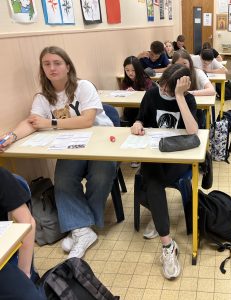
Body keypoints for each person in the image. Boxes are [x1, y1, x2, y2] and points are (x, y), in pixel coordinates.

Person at [0, 46, 117, 259]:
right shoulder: (43, 97)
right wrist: (11, 137)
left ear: (67, 66)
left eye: (57, 63)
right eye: (47, 64)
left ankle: (80, 227)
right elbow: (32, 122)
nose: (52, 68)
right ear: (42, 69)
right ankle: (83, 230)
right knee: (63, 180)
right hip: (72, 146)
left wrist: (50, 122)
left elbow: (87, 120)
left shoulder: (83, 87)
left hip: (100, 142)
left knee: (100, 177)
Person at [130, 64, 198, 279]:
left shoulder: (187, 99)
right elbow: (140, 117)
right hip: (153, 154)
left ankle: (166, 243)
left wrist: (179, 96)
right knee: (149, 185)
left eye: (169, 88)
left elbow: (192, 130)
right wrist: (137, 124)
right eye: (163, 85)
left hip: (177, 158)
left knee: (152, 185)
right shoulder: (151, 94)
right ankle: (166, 233)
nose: (163, 91)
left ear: (183, 87)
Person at [0, 168, 45, 299]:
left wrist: (25, 272)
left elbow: (27, 221)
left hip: (3, 260)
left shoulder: (2, 177)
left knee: (27, 295)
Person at [121, 56, 154, 126]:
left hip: (143, 109)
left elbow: (149, 96)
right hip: (130, 108)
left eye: (133, 70)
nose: (130, 73)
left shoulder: (146, 80)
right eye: (127, 70)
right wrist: (125, 92)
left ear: (138, 69)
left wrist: (135, 92)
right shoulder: (125, 81)